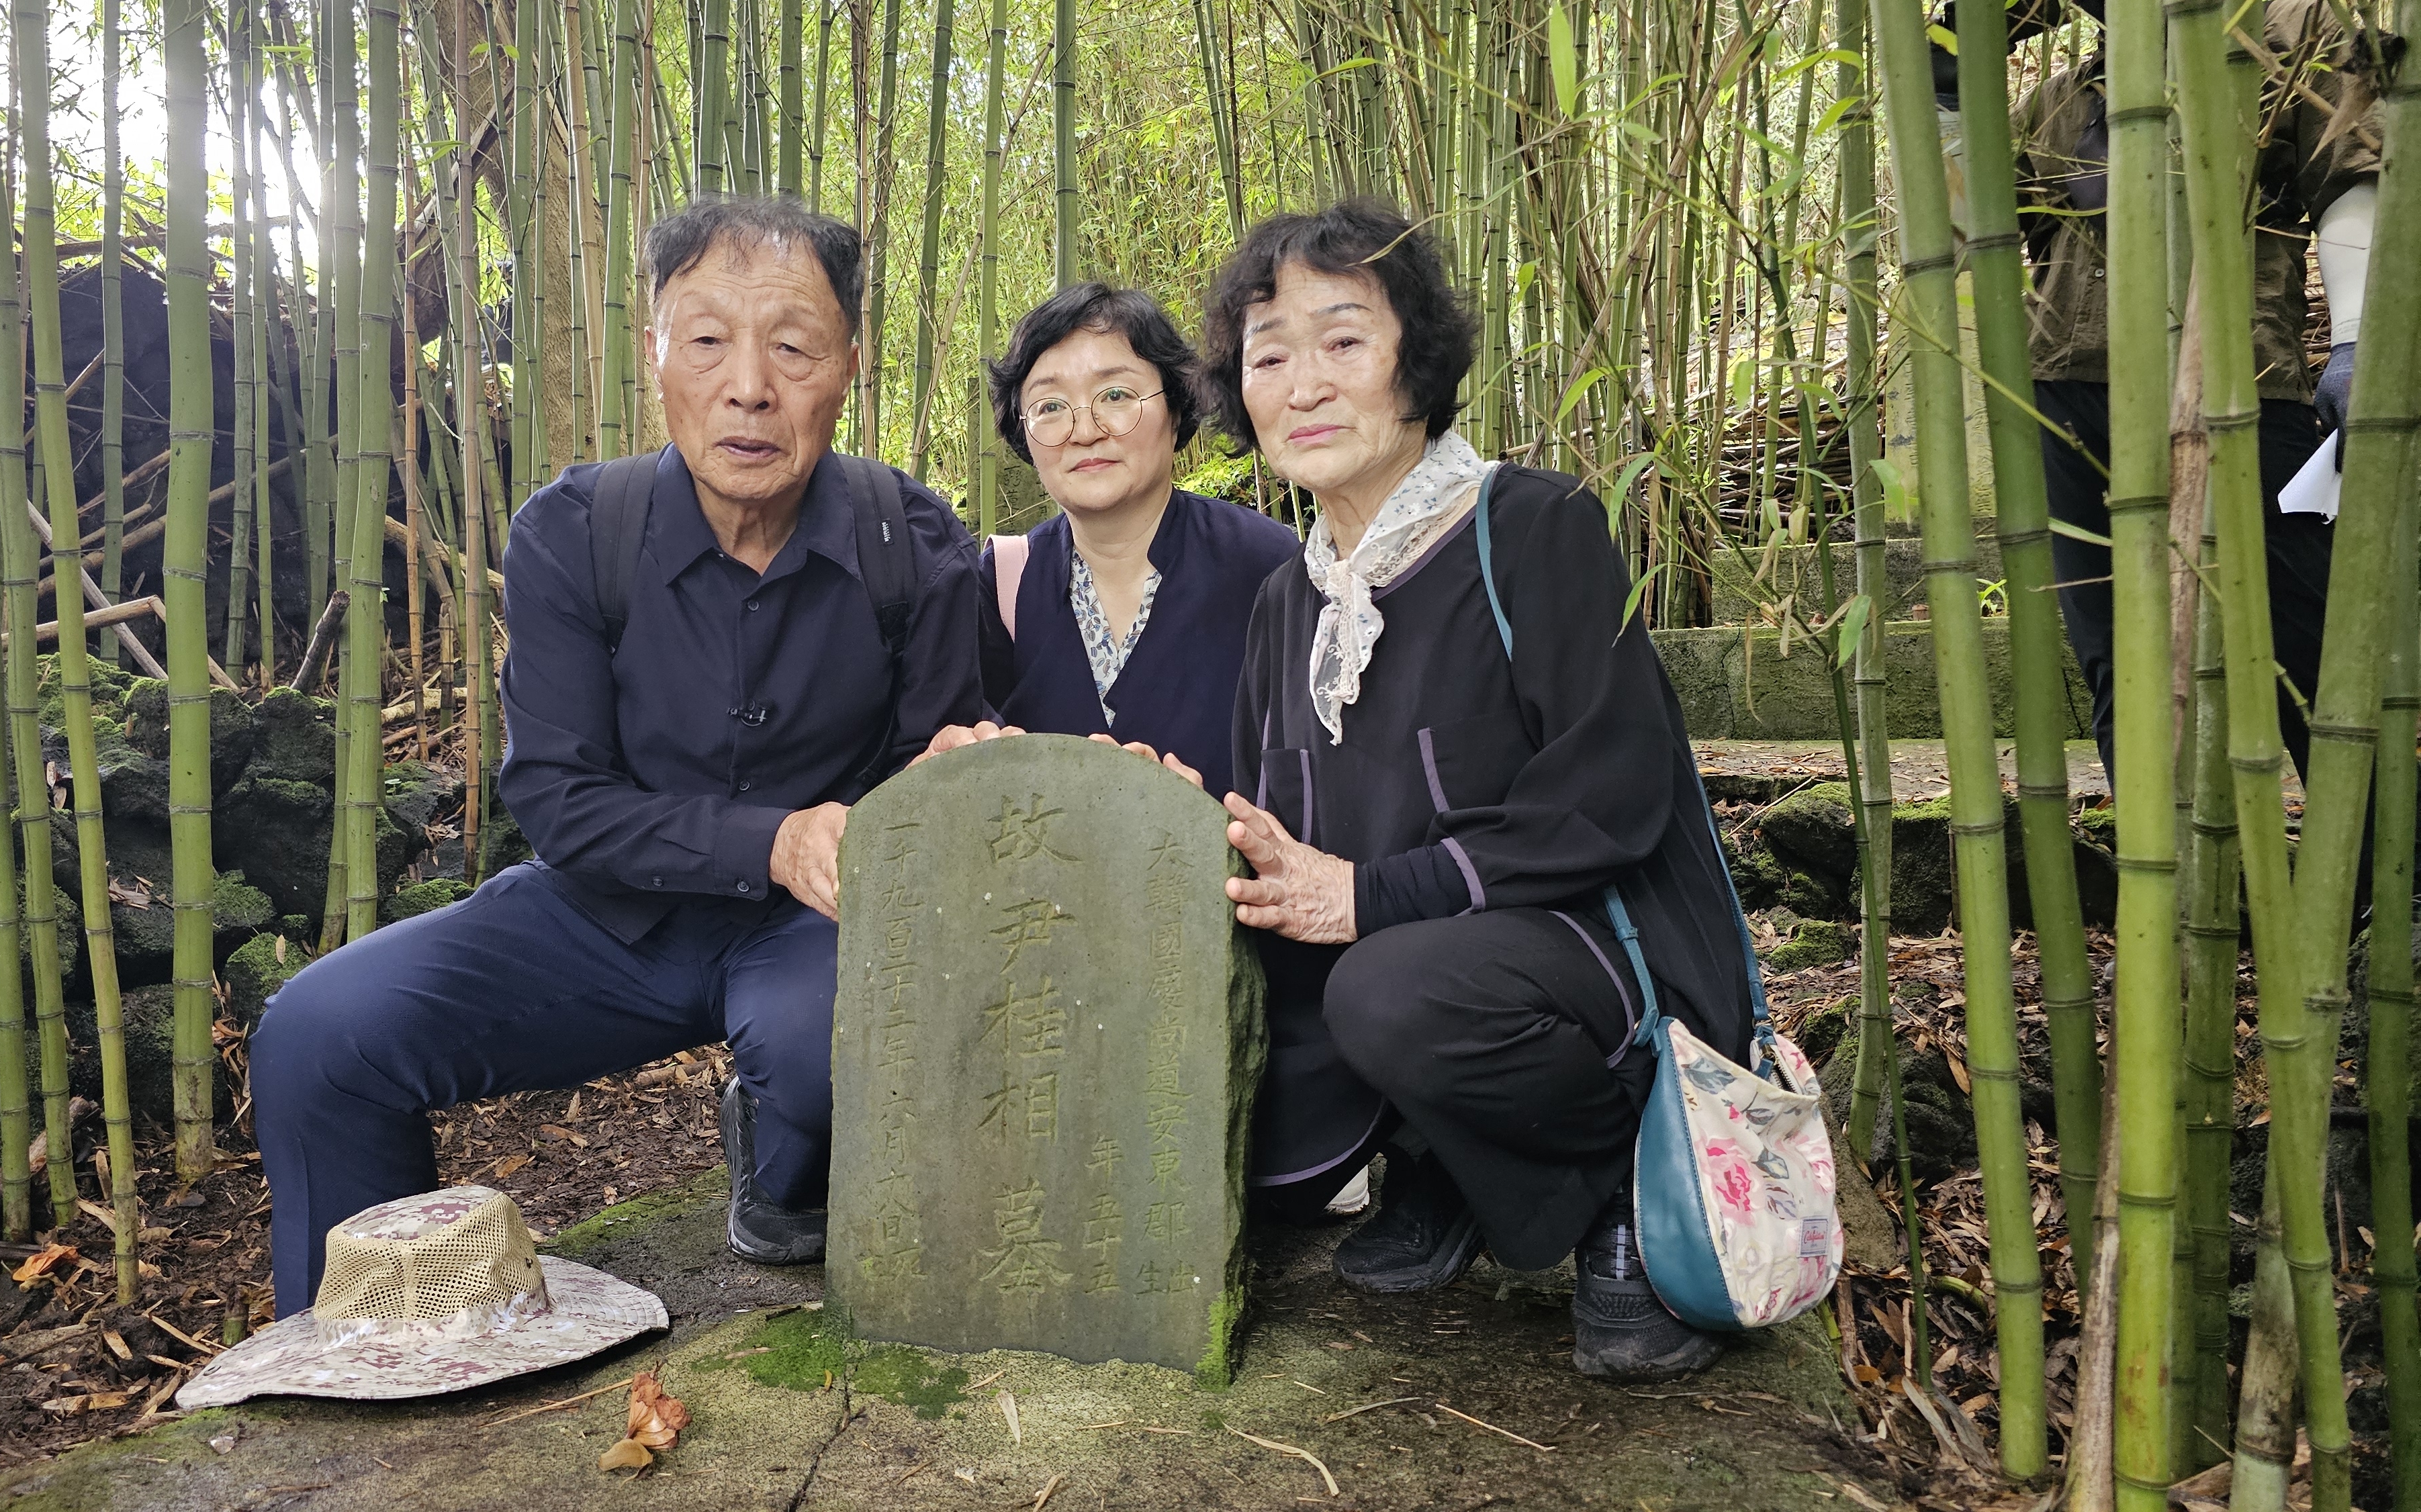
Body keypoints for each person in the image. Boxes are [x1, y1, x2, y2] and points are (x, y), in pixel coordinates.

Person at [249, 197, 984, 1311]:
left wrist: (949, 786)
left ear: (848, 367)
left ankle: (781, 1151)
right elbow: (560, 802)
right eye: (706, 340)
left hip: (819, 930)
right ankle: (363, 1345)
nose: (750, 385)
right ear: (654, 356)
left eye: (792, 345)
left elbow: (942, 769)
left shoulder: (913, 540)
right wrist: (771, 839)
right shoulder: (575, 531)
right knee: (319, 1030)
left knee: (818, 1051)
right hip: (605, 917)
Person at [1198, 201, 1753, 1379]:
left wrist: (1372, 894)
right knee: (1273, 987)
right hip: (1421, 971)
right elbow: (1281, 839)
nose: (1302, 383)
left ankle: (1623, 1184)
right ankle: (1441, 1158)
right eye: (1269, 354)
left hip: (1594, 958)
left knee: (1391, 988)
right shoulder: (1282, 606)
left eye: (1342, 340)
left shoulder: (1533, 527)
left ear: (1420, 362)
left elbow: (1607, 795)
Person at [1937, 0, 2379, 779]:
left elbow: (2347, 179)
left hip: (2235, 385)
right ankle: (2164, 884)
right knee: (2117, 649)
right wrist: (1948, 86)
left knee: (2299, 634)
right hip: (2071, 391)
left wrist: (2352, 340)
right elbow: (1961, 233)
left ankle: (2375, 877)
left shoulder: (2283, 32)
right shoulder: (2060, 99)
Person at [976, 283, 1299, 801]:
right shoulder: (1002, 584)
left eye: (1117, 396)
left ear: (1176, 409)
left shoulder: (1269, 567)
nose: (1085, 430)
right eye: (1050, 406)